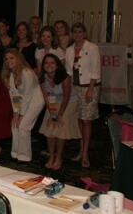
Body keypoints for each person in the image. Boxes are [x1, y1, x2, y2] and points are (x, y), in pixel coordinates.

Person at [65, 22, 101, 168]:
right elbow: (68, 72)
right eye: (75, 32)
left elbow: (95, 69)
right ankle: (81, 149)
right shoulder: (69, 49)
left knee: (86, 120)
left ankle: (85, 153)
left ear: (85, 33)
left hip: (89, 87)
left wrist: (91, 89)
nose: (77, 34)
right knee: (79, 119)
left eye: (80, 32)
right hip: (75, 87)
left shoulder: (92, 48)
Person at [39, 54, 81, 170]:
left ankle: (59, 157)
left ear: (57, 65)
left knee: (60, 126)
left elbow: (66, 97)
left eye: (52, 63)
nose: (49, 65)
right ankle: (51, 156)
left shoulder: (65, 77)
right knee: (49, 127)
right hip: (53, 102)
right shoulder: (42, 78)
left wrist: (60, 115)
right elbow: (46, 98)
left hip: (69, 102)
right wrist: (52, 115)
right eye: (46, 63)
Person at [2, 48, 44, 162]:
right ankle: (16, 152)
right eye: (6, 59)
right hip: (22, 102)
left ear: (18, 59)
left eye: (12, 58)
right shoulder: (11, 74)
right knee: (14, 125)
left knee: (23, 126)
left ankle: (25, 156)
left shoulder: (27, 73)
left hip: (35, 101)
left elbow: (28, 95)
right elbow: (14, 95)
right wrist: (15, 113)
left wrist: (21, 114)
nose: (9, 61)